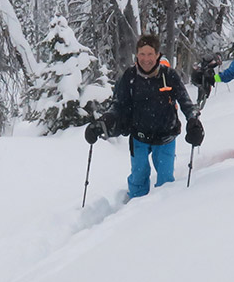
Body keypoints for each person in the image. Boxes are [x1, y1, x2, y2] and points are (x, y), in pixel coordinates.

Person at [85, 34, 203, 199]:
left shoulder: (169, 75)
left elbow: (186, 103)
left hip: (166, 137)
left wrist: (193, 121)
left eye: (150, 54)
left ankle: (163, 215)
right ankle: (135, 216)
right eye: (142, 54)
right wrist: (103, 122)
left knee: (166, 183)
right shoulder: (130, 77)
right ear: (136, 55)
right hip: (139, 136)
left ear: (157, 55)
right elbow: (118, 105)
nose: (145, 59)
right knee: (138, 179)